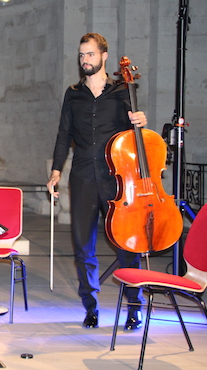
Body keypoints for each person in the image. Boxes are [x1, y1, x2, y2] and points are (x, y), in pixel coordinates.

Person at [47, 33, 146, 330]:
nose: (85, 60)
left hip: (117, 178)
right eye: (81, 55)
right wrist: (56, 170)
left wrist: (141, 121)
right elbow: (64, 134)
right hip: (82, 177)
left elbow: (136, 133)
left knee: (127, 244)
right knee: (83, 246)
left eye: (90, 54)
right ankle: (91, 307)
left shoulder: (122, 91)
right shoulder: (73, 93)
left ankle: (134, 307)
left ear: (104, 56)